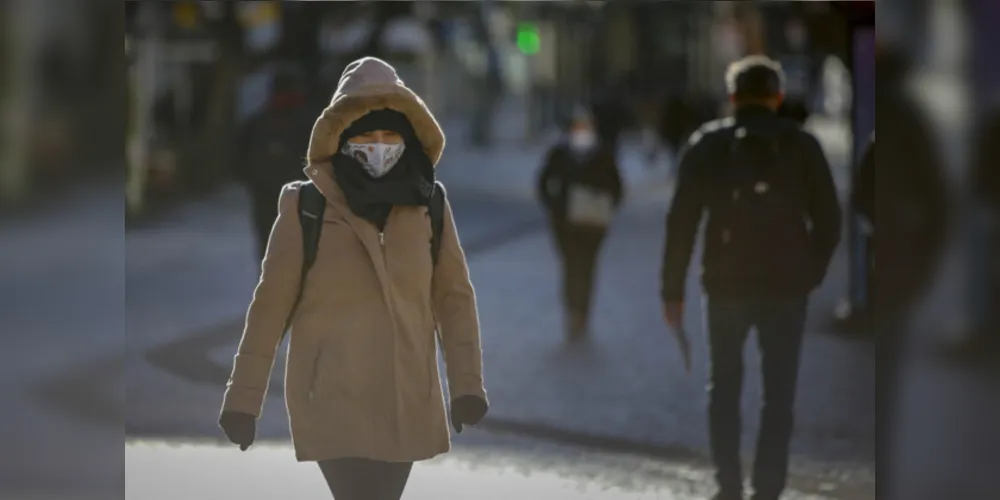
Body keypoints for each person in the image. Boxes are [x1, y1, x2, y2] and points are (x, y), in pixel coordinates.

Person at [219, 57, 489, 500]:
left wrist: (467, 387)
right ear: (341, 135)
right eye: (365, 134)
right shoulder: (306, 206)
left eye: (389, 134)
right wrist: (242, 401)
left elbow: (455, 300)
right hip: (332, 400)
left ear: (407, 136)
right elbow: (269, 308)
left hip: (406, 398)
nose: (378, 145)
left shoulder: (429, 204)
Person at [659, 55, 842, 500]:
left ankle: (728, 486)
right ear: (777, 98)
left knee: (723, 387)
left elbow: (681, 222)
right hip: (786, 290)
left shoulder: (706, 145)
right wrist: (809, 275)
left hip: (725, 287)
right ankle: (768, 490)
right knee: (778, 396)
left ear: (733, 97)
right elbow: (831, 220)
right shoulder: (802, 147)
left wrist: (672, 291)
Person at [537, 108, 624, 339]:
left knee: (586, 267)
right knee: (571, 266)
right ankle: (572, 311)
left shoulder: (603, 153)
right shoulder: (559, 152)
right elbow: (543, 182)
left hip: (593, 224)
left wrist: (604, 207)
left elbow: (617, 186)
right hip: (565, 223)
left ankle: (582, 312)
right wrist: (554, 207)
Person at [234, 67, 313, 261]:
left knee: (271, 242)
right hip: (296, 193)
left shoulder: (258, 121)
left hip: (269, 192)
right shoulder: (310, 122)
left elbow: (238, 158)